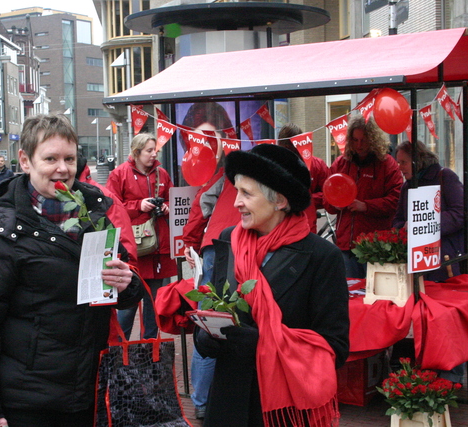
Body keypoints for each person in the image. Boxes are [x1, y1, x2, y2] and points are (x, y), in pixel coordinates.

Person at [0, 113, 143, 427]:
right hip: (28, 402)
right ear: (25, 161)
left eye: (69, 158)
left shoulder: (94, 219)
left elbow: (117, 291)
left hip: (90, 394)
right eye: (50, 158)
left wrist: (127, 283)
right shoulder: (2, 237)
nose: (63, 169)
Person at [195, 144, 350, 427]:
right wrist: (204, 337)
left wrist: (262, 343)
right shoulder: (229, 240)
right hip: (229, 403)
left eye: (246, 194)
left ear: (279, 200)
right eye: (237, 191)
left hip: (284, 411)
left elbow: (334, 347)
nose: (235, 202)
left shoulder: (322, 257)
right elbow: (211, 304)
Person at [180, 102, 238, 419]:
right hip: (229, 249)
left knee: (208, 324)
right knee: (223, 325)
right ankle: (205, 400)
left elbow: (200, 209)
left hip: (215, 247)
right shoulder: (236, 170)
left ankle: (202, 402)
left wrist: (190, 243)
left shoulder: (221, 171)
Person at [106, 132, 177, 339]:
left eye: (155, 150)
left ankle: (149, 349)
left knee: (154, 305)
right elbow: (111, 207)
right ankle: (120, 349)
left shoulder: (162, 174)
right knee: (128, 305)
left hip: (159, 251)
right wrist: (138, 205)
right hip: (134, 251)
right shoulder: (119, 174)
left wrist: (165, 207)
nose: (154, 154)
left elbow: (173, 200)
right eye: (149, 150)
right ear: (137, 152)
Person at [325, 114, 403, 278]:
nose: (359, 145)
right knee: (350, 294)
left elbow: (396, 201)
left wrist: (366, 206)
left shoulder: (387, 164)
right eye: (355, 140)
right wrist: (335, 204)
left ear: (373, 139)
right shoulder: (340, 164)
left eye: (364, 140)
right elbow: (327, 197)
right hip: (346, 245)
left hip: (375, 247)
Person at [393, 140, 468, 282]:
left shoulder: (445, 176)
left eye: (403, 162)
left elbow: (462, 211)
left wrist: (423, 225)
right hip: (423, 258)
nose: (400, 167)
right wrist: (403, 227)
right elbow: (398, 219)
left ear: (418, 160)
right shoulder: (407, 186)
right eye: (398, 162)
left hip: (453, 254)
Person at [76, 152, 137, 267]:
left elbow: (125, 250)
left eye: (68, 159)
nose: (62, 168)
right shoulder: (120, 173)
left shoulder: (101, 196)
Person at [277, 123, 330, 234]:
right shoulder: (274, 166)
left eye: (292, 148)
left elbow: (329, 193)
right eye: (286, 149)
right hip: (280, 228)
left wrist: (309, 199)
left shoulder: (315, 165)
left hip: (306, 228)